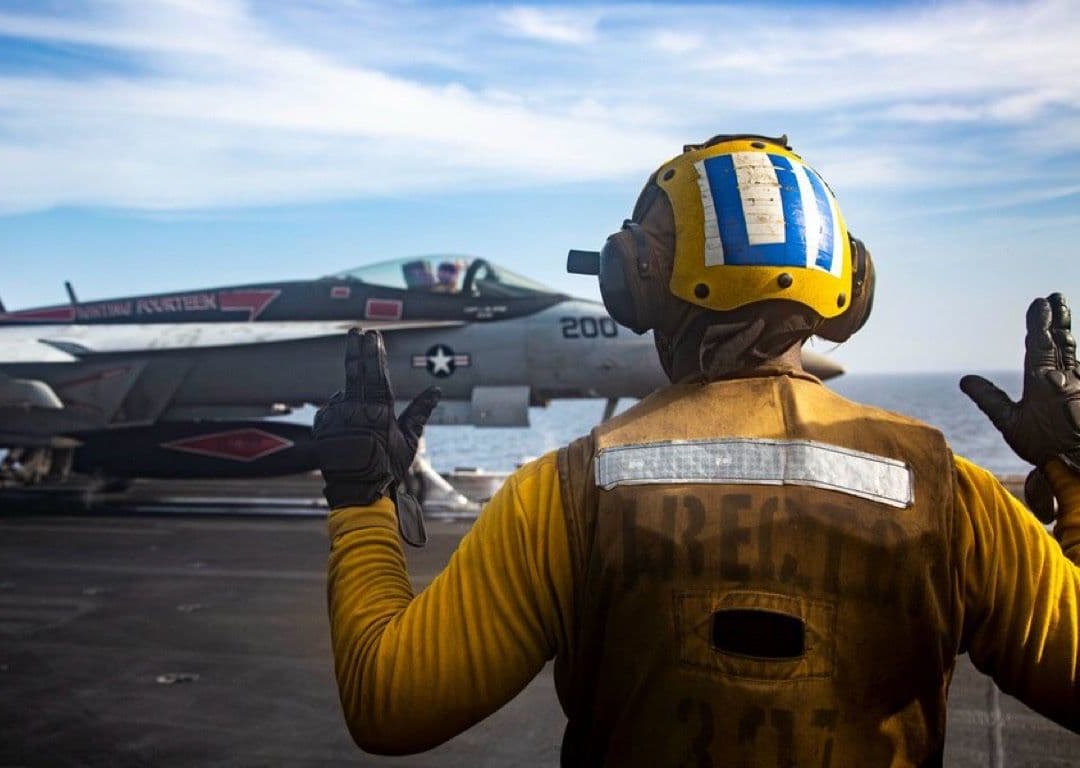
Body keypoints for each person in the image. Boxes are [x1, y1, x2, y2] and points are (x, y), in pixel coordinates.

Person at [312, 134, 1080, 765]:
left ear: (635, 281)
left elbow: (390, 704)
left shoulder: (568, 491)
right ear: (846, 283)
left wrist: (362, 500)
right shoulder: (952, 493)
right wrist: (1073, 479)